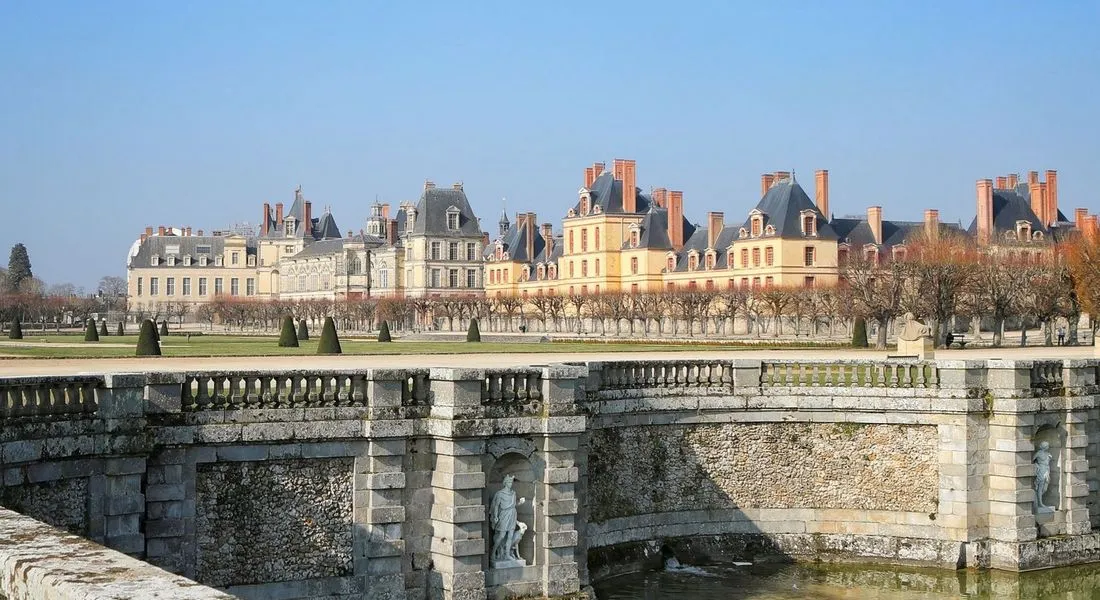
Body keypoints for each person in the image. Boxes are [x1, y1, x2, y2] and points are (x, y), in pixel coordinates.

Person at [489, 474, 526, 562]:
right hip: (504, 515)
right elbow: (496, 506)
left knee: (510, 536)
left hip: (512, 514)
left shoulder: (513, 493)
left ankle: (507, 554)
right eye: (509, 482)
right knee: (501, 535)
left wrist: (520, 503)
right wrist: (496, 516)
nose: (510, 484)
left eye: (511, 482)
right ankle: (493, 553)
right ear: (505, 483)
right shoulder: (500, 494)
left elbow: (513, 505)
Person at [1034, 441, 1053, 511]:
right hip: (1041, 470)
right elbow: (1032, 461)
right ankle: (1040, 503)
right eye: (1047, 446)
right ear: (1044, 446)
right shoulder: (1038, 454)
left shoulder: (1048, 454)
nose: (1048, 447)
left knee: (1045, 488)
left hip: (1047, 470)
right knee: (1040, 487)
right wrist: (1036, 465)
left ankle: (1038, 500)